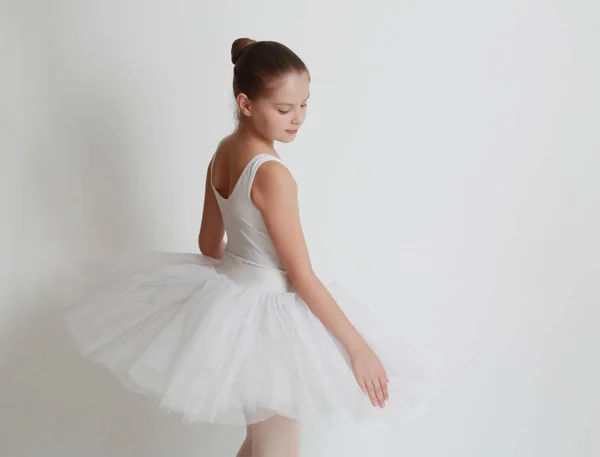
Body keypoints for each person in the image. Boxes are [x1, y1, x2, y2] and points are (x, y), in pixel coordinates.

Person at [63, 38, 431, 457]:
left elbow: (208, 242)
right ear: (246, 103)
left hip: (237, 310)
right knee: (277, 450)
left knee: (259, 443)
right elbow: (301, 276)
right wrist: (358, 348)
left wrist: (241, 280)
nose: (298, 119)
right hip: (272, 324)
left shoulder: (224, 152)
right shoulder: (273, 175)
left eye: (305, 104)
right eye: (284, 109)